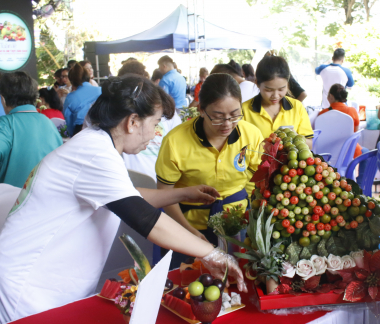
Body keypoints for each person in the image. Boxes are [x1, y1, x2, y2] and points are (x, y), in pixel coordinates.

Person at [0, 75, 247, 323]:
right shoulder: (94, 154)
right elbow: (146, 219)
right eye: (155, 123)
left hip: (41, 280)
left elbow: (127, 196)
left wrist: (183, 193)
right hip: (27, 288)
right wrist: (214, 253)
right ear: (132, 122)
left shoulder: (97, 144)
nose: (155, 133)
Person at [155, 73, 264, 269]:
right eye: (218, 117)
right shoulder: (175, 141)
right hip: (188, 223)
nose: (228, 124)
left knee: (237, 278)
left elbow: (258, 177)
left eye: (234, 115)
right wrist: (187, 232)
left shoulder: (251, 134)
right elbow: (164, 194)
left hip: (237, 221)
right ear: (201, 110)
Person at [0, 72, 62, 188]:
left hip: (12, 202)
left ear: (3, 99)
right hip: (48, 196)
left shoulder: (5, 124)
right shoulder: (48, 123)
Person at [242, 55, 314, 148]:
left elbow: (310, 145)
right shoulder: (244, 110)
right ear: (257, 83)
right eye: (269, 90)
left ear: (287, 84)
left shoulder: (297, 107)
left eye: (281, 89)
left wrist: (295, 136)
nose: (275, 96)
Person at [319, 84, 364, 158]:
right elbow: (355, 132)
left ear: (331, 96)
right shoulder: (352, 111)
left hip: (328, 151)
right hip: (350, 151)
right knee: (366, 153)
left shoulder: (323, 113)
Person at [64, 64, 102, 136]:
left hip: (80, 130)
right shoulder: (101, 90)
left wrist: (73, 135)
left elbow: (69, 122)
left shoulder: (70, 97)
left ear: (72, 81)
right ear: (88, 77)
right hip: (101, 128)